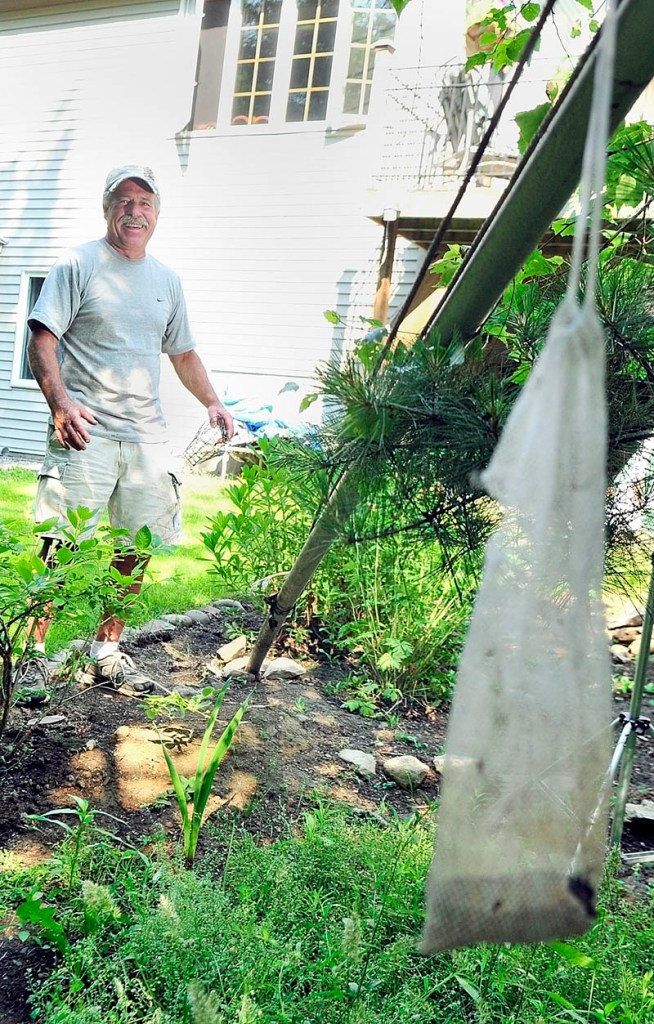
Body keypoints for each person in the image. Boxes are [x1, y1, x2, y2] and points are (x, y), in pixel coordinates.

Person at [19, 164, 234, 696]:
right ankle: (32, 654)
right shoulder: (79, 264)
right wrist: (60, 403)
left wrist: (213, 400)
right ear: (107, 208)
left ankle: (106, 652)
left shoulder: (167, 280)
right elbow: (42, 341)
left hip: (144, 438)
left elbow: (182, 353)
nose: (134, 211)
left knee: (135, 549)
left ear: (157, 215)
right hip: (83, 431)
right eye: (124, 200)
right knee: (61, 545)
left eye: (145, 202)